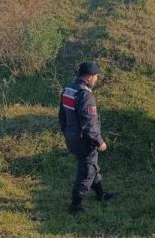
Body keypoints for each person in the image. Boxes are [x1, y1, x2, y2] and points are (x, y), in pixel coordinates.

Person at [58, 61, 117, 214]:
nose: (96, 79)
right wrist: (100, 141)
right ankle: (75, 205)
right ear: (90, 77)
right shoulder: (85, 95)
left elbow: (62, 115)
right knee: (87, 172)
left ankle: (101, 194)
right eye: (96, 76)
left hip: (71, 137)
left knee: (92, 166)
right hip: (84, 141)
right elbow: (90, 124)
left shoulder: (68, 89)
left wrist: (66, 131)